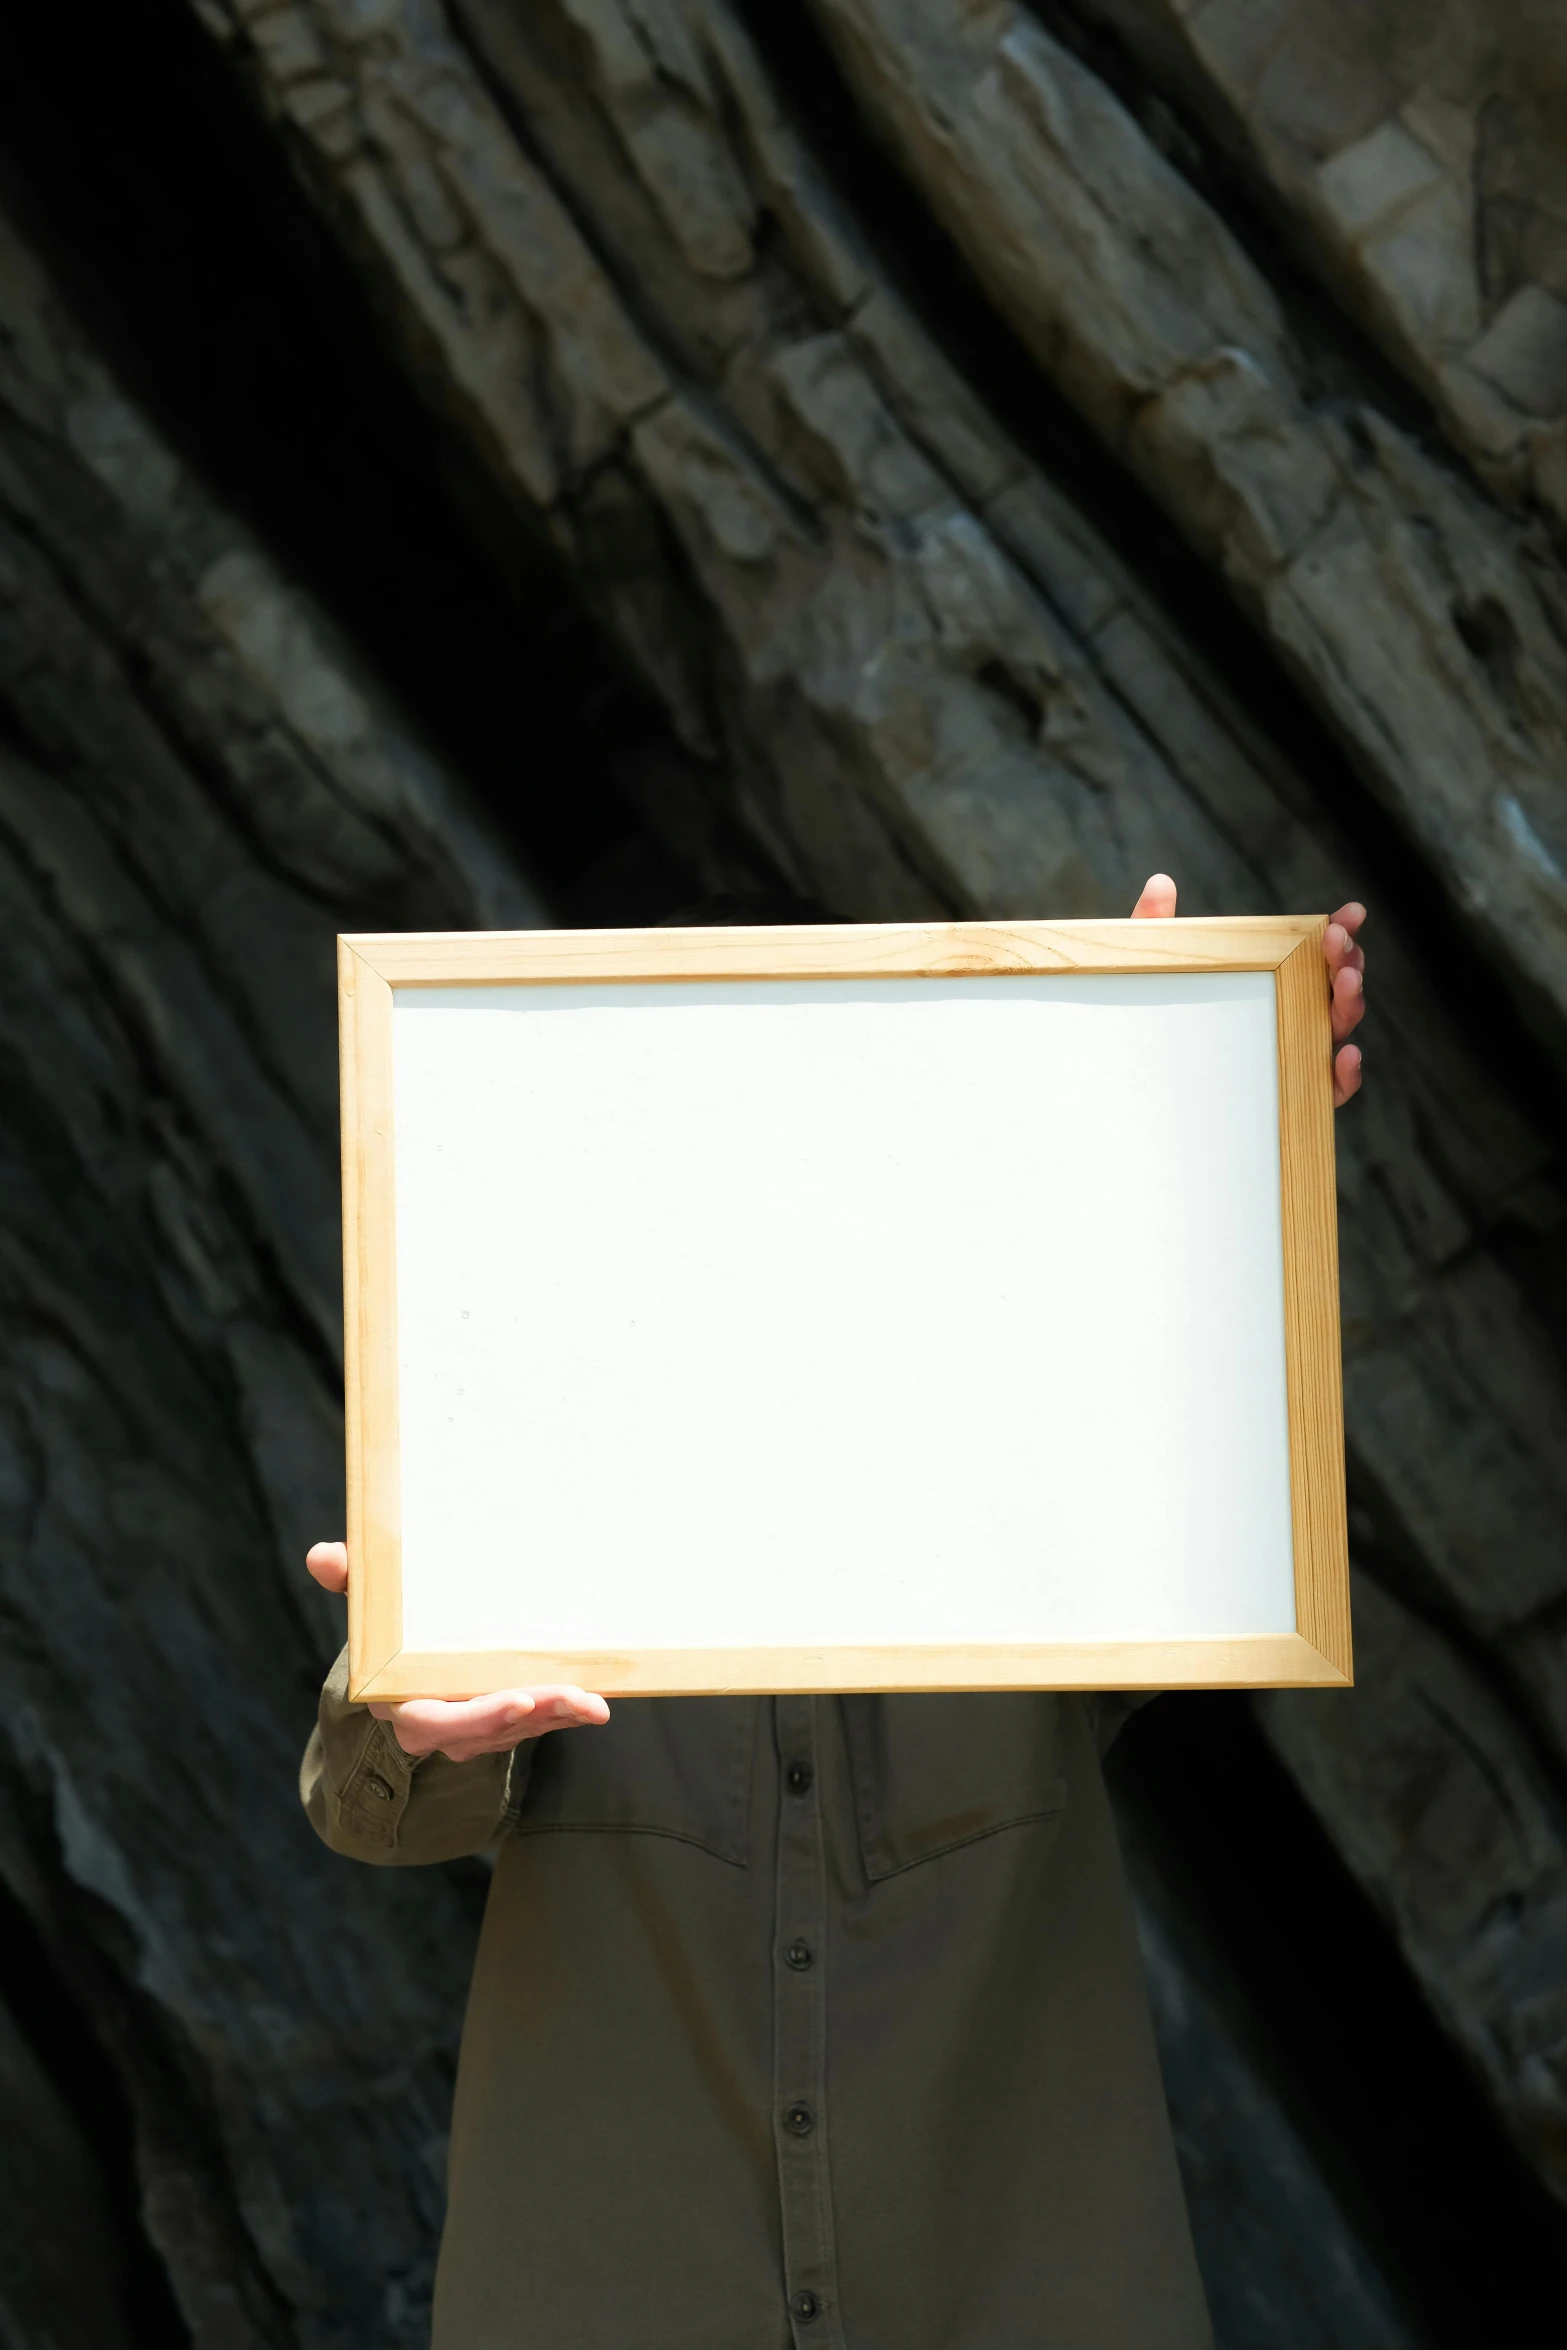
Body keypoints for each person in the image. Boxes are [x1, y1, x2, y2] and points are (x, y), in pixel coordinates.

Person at [302, 875, 1367, 2349]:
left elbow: (1187, 1431)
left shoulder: (1026, 1454)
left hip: (1019, 2283)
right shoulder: (536, 1458)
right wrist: (415, 1729)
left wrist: (1193, 1117)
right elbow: (369, 1808)